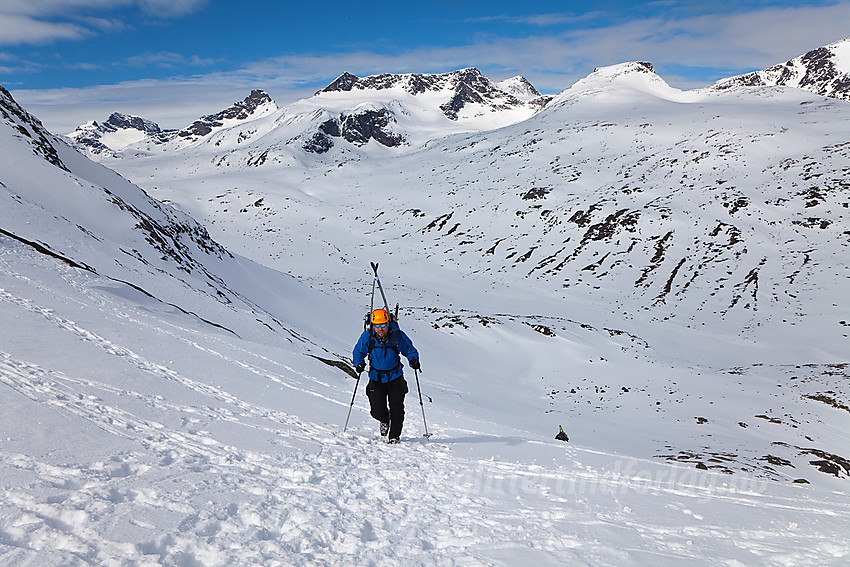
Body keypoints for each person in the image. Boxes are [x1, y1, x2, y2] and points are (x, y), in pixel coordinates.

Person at [353, 308, 420, 443]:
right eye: (377, 325)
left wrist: (413, 360)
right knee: (376, 410)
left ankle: (394, 436)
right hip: (376, 378)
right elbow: (358, 352)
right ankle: (384, 420)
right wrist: (359, 363)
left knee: (398, 410)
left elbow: (409, 349)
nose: (380, 328)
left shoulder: (397, 336)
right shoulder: (368, 337)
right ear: (373, 325)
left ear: (388, 323)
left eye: (383, 324)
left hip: (395, 377)